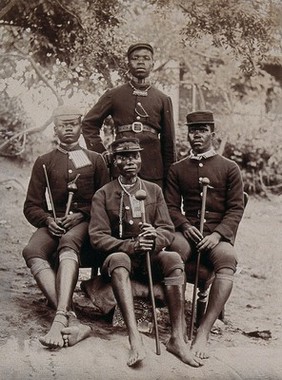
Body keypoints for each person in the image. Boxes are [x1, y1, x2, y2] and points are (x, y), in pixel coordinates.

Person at [87, 137, 202, 368]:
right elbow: (97, 237)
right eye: (123, 157)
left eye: (135, 156)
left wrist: (154, 238)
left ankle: (177, 339)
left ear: (140, 160)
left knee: (174, 259)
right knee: (119, 259)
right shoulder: (103, 194)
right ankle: (135, 338)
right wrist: (131, 245)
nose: (130, 161)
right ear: (114, 161)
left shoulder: (153, 190)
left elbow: (167, 229)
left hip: (150, 256)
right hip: (121, 258)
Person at [22, 105, 109, 349]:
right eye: (63, 124)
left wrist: (82, 214)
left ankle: (59, 317)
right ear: (55, 128)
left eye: (73, 124)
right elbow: (31, 206)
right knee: (31, 250)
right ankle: (72, 317)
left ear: (81, 127)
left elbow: (106, 200)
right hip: (55, 222)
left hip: (87, 223)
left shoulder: (95, 160)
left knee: (69, 243)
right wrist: (47, 220)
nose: (68, 128)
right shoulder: (44, 162)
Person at [165, 110, 245, 359]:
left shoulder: (229, 168)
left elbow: (235, 208)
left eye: (201, 130)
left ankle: (203, 331)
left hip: (216, 236)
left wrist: (219, 235)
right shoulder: (177, 169)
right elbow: (168, 206)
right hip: (188, 231)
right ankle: (177, 330)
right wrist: (185, 226)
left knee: (228, 259)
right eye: (192, 130)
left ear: (212, 133)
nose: (196, 135)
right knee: (174, 253)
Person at [82, 42, 176, 188]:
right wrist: (102, 153)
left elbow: (168, 143)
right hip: (121, 166)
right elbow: (89, 123)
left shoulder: (163, 99)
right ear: (128, 63)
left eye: (146, 58)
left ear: (152, 63)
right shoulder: (114, 95)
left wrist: (169, 176)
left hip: (153, 170)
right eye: (135, 58)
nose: (140, 62)